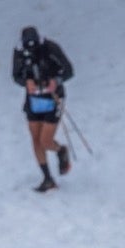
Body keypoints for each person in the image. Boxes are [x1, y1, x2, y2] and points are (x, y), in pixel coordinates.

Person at [11, 25, 74, 192]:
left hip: (53, 98)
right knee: (35, 139)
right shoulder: (19, 53)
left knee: (45, 140)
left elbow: (69, 71)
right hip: (33, 99)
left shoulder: (51, 48)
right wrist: (27, 82)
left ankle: (60, 150)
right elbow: (16, 76)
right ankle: (47, 177)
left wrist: (56, 81)